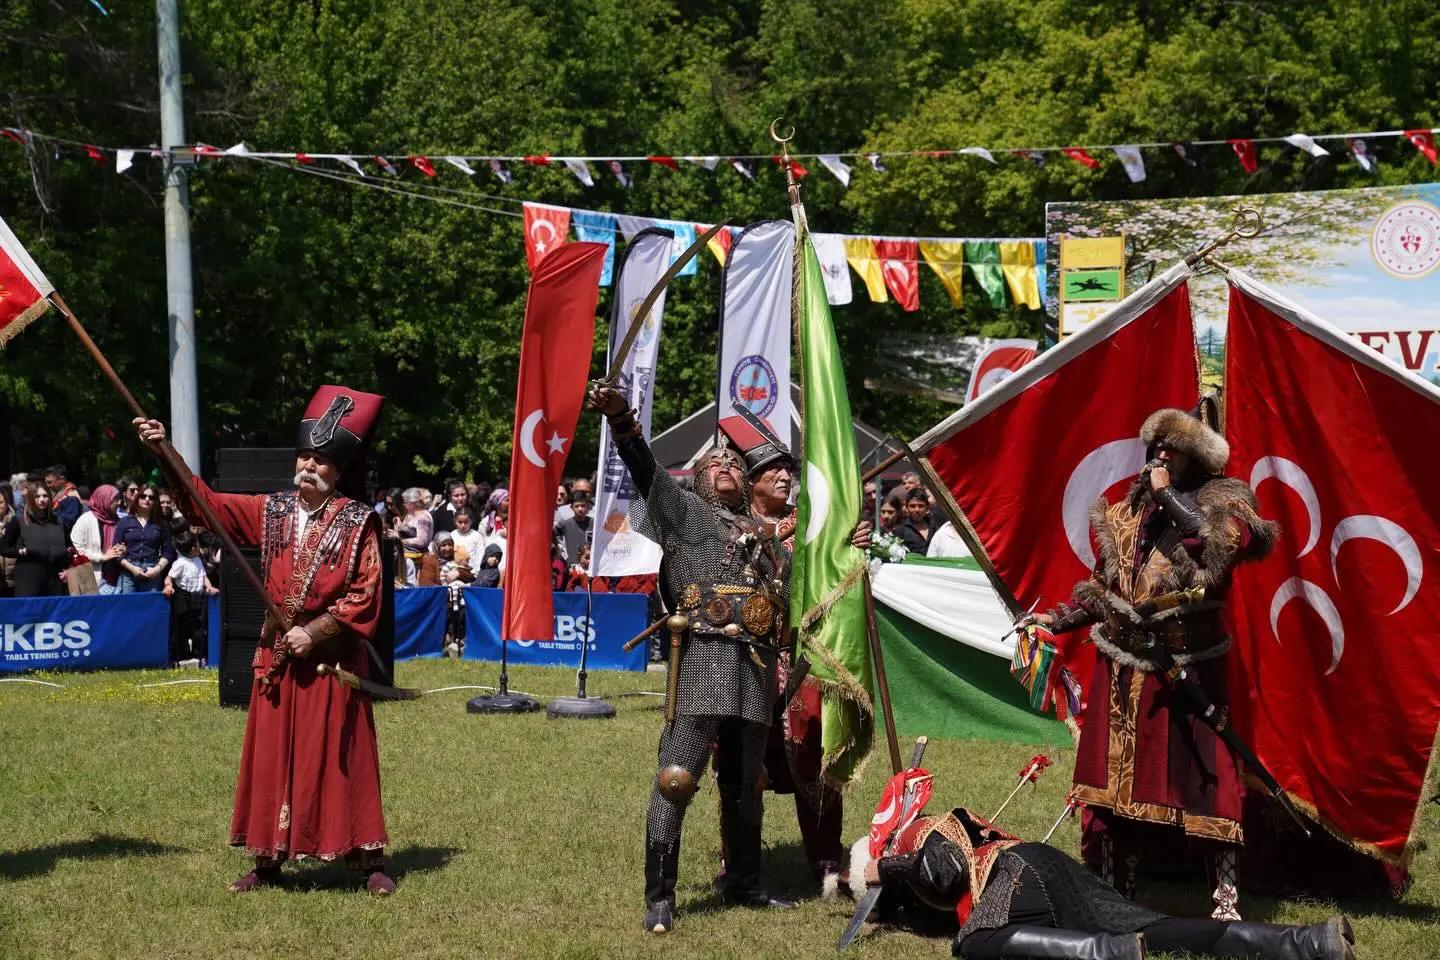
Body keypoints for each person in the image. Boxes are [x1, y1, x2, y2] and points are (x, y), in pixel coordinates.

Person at [133, 384, 394, 894]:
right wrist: (165, 452)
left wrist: (317, 632)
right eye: (304, 458)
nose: (310, 467)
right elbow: (205, 506)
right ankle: (267, 860)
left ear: (338, 470)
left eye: (321, 461)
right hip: (276, 657)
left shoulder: (361, 521)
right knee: (272, 756)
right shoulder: (269, 509)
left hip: (331, 661)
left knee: (345, 757)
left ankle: (368, 860)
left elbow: (368, 591)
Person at [1027, 406, 1276, 921]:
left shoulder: (1225, 501)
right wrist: (1052, 619)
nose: (1161, 454)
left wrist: (1166, 495)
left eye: (1174, 446)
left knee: (1210, 783)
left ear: (1199, 456)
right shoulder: (1127, 513)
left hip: (1187, 667)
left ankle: (1224, 900)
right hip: (1122, 667)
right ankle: (1117, 886)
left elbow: (1221, 554)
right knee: (1115, 785)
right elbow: (1104, 588)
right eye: (1157, 446)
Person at [586, 382, 795, 934]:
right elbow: (645, 469)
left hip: (754, 668)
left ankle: (745, 884)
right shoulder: (684, 512)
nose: (725, 464)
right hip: (703, 657)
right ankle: (661, 899)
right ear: (697, 478)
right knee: (677, 779)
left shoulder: (768, 535)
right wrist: (622, 420)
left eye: (733, 461)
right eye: (714, 462)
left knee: (747, 784)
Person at [851, 776, 1356, 960]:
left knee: (974, 943)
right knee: (1161, 930)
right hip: (1046, 871)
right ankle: (1310, 942)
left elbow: (939, 874)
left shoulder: (925, 834)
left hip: (1016, 878)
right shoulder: (944, 828)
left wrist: (887, 867)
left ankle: (1103, 952)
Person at [721, 419, 868, 897]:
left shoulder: (812, 531)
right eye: (773, 471)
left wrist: (848, 542)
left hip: (799, 660)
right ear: (752, 481)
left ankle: (826, 860)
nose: (785, 477)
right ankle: (736, 861)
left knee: (814, 760)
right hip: (743, 662)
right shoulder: (726, 527)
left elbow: (831, 566)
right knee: (741, 767)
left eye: (789, 469)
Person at [0, 485, 74, 597]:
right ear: (30, 498)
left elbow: (70, 548)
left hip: (54, 579)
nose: (42, 500)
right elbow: (3, 548)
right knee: (29, 613)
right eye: (37, 496)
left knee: (53, 613)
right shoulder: (19, 521)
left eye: (45, 496)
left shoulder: (58, 521)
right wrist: (20, 551)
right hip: (29, 579)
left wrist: (68, 566)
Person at [164, 531, 218, 665]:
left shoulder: (198, 560)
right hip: (183, 598)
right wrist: (168, 586)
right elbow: (169, 577)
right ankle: (179, 657)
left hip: (198, 598)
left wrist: (209, 587)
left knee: (198, 630)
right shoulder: (180, 563)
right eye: (197, 545)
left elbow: (204, 576)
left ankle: (198, 656)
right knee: (181, 629)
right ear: (193, 548)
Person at [114, 484, 174, 593]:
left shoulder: (162, 524)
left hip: (152, 571)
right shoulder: (124, 522)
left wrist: (157, 570)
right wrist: (132, 568)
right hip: (129, 571)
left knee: (150, 608)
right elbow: (116, 550)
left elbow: (168, 552)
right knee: (128, 609)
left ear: (155, 501)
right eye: (143, 496)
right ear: (137, 498)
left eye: (151, 497)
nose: (147, 499)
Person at [70, 484, 127, 595]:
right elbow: (77, 550)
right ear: (104, 499)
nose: (119, 503)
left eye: (119, 499)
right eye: (114, 500)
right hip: (91, 578)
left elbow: (126, 543)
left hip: (117, 578)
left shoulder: (119, 521)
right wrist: (103, 557)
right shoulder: (85, 520)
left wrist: (124, 548)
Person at [554, 492, 593, 563]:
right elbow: (551, 535)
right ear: (571, 508)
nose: (580, 509)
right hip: (572, 567)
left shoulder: (594, 523)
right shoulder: (565, 524)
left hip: (591, 565)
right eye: (577, 506)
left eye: (583, 506)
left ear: (588, 507)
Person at [895, 488, 936, 554]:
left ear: (927, 507)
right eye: (912, 506)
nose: (917, 510)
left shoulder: (935, 526)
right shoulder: (901, 530)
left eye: (921, 506)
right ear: (906, 507)